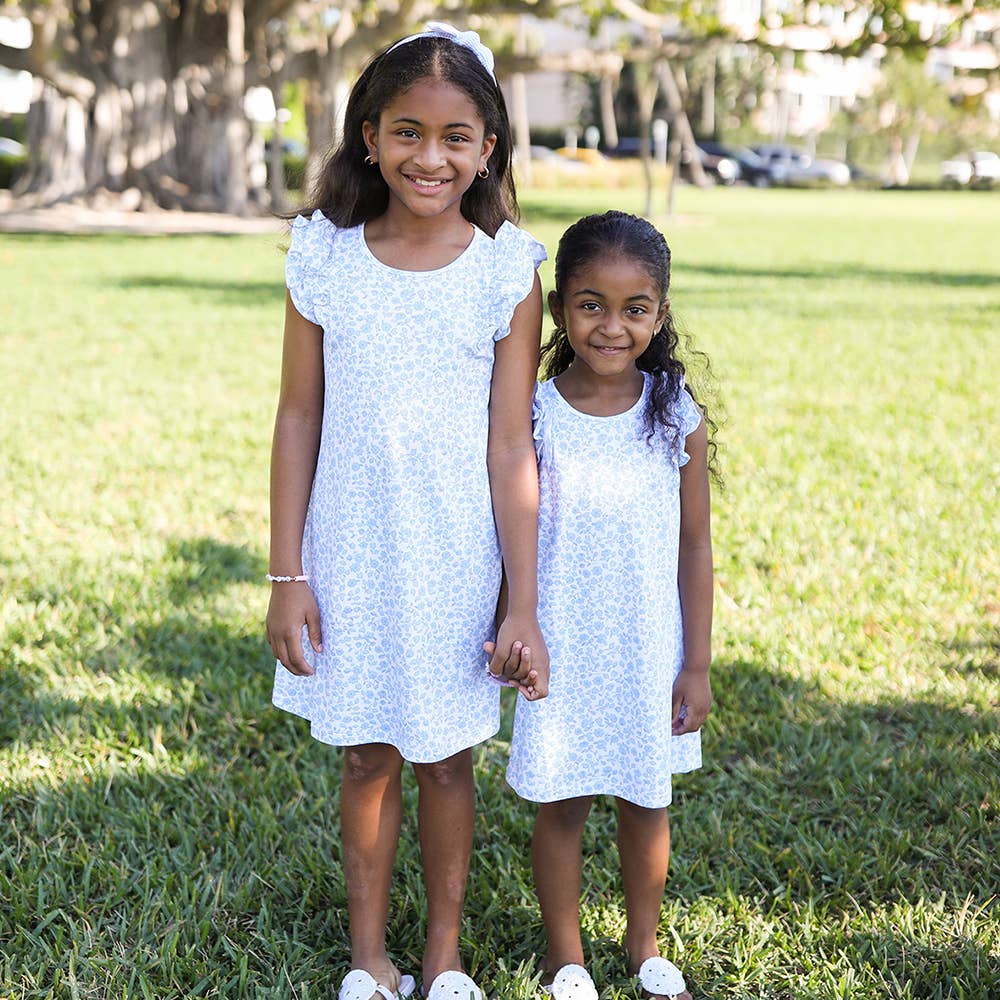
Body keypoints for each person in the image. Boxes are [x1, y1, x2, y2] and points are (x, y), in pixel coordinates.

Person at [264, 22, 549, 1000]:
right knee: (366, 754)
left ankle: (441, 956)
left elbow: (513, 445)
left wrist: (522, 600)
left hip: (458, 553)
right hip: (350, 549)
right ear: (369, 136)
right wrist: (286, 574)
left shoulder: (506, 269)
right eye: (409, 132)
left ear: (488, 148)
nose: (431, 156)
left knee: (442, 760)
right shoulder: (325, 256)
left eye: (456, 137)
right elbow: (298, 415)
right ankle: (368, 956)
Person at [497, 211, 717, 1000]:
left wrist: (696, 661)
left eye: (635, 308)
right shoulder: (534, 413)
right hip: (560, 643)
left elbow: (695, 546)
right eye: (591, 304)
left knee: (645, 801)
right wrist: (510, 624)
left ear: (660, 313)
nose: (613, 325)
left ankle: (644, 945)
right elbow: (509, 532)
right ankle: (567, 957)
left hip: (646, 646)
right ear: (560, 309)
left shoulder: (673, 414)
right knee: (562, 805)